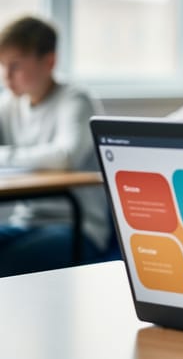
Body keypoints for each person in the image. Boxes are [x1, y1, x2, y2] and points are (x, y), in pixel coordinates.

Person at [0, 15, 110, 276]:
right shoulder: (10, 104)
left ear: (49, 61)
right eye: (2, 66)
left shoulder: (75, 100)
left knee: (9, 263)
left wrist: (6, 156)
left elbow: (65, 157)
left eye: (15, 66)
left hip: (77, 224)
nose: (6, 76)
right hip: (25, 222)